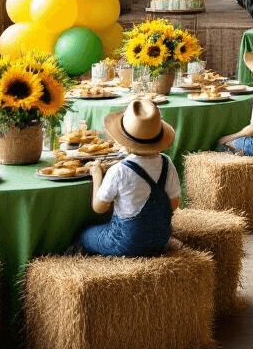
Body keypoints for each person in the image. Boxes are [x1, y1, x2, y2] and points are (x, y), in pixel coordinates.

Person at [77, 97, 181, 257]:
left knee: (84, 234)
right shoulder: (167, 163)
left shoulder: (119, 170)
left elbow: (99, 208)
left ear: (124, 142)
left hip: (124, 243)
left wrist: (97, 174)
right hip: (160, 242)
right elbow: (174, 204)